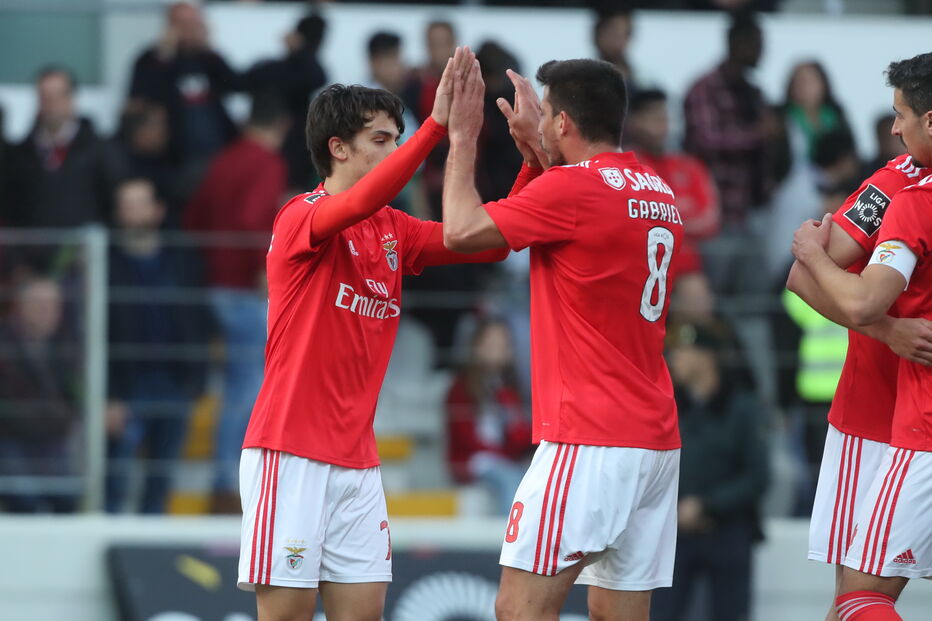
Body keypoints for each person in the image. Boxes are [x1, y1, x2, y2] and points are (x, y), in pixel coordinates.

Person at [235, 48, 510, 621]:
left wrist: (530, 162)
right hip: (290, 454)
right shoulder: (300, 217)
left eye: (397, 138)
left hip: (357, 462)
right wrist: (436, 126)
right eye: (381, 139)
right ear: (338, 148)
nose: (393, 148)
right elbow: (363, 196)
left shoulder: (393, 229)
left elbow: (485, 238)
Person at [443, 56, 683, 621]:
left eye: (546, 113)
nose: (541, 121)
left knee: (519, 609)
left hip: (588, 436)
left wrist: (463, 135)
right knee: (618, 613)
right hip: (654, 439)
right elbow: (583, 214)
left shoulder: (573, 191)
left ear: (565, 123)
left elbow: (460, 232)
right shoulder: (658, 188)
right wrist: (539, 151)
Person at [790, 52, 932, 621]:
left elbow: (814, 267)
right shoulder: (891, 181)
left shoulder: (910, 199)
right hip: (873, 414)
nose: (892, 128)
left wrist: (874, 314)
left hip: (912, 422)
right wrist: (888, 329)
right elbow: (802, 279)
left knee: (858, 600)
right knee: (852, 600)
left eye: (900, 115)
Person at [184, 92, 289, 512]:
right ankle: (226, 482)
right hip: (245, 290)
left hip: (212, 284)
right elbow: (250, 219)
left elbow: (194, 219)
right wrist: (261, 267)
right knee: (246, 388)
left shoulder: (223, 161)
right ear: (279, 128)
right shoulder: (267, 164)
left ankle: (225, 477)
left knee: (235, 387)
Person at [651, 322, 769, 621]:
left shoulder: (742, 408)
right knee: (662, 612)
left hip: (729, 532)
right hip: (678, 532)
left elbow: (758, 477)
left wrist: (706, 505)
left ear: (706, 356)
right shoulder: (670, 407)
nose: (673, 358)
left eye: (681, 351)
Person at [107, 178, 210, 513]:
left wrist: (196, 378)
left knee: (161, 482)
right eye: (126, 204)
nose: (132, 212)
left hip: (174, 382)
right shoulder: (106, 264)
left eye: (139, 203)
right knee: (115, 481)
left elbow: (197, 319)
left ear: (157, 210)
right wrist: (107, 395)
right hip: (127, 386)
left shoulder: (181, 261)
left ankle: (147, 559)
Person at [127, 1, 241, 188]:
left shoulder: (208, 59)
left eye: (194, 24)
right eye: (183, 24)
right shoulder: (151, 60)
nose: (189, 30)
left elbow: (236, 85)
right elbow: (140, 98)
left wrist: (209, 48)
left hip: (218, 151)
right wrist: (164, 55)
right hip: (173, 157)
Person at [0, 277, 79, 513]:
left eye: (53, 305)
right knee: (24, 500)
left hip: (52, 439)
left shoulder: (66, 346)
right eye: (39, 305)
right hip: (12, 439)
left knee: (68, 499)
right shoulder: (5, 345)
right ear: (21, 307)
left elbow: (76, 396)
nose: (47, 312)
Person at [4, 66, 116, 228]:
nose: (51, 104)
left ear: (71, 98)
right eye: (45, 97)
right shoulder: (19, 155)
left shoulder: (101, 151)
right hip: (31, 247)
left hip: (84, 248)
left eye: (57, 96)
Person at [446, 317, 532, 515]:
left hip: (505, 459)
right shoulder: (461, 387)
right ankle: (508, 541)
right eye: (491, 343)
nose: (498, 349)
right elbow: (464, 438)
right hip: (475, 460)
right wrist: (504, 456)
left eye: (503, 344)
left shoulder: (509, 387)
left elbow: (519, 435)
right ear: (477, 347)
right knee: (509, 479)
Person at [245, 12, 328, 191]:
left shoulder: (277, 67)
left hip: (288, 146)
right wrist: (300, 50)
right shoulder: (284, 69)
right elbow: (318, 77)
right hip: (279, 142)